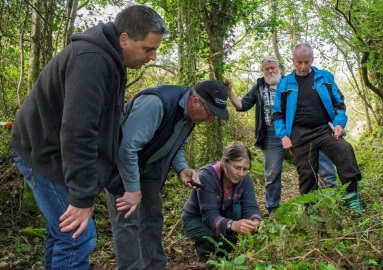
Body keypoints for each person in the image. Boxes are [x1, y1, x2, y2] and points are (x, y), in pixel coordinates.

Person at [10, 5, 168, 269]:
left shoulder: (111, 60)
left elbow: (101, 126)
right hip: (44, 153)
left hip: (59, 152)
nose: (153, 57)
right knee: (77, 236)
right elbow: (78, 132)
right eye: (148, 49)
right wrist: (82, 198)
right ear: (125, 38)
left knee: (62, 233)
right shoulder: (91, 61)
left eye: (156, 49)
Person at [105, 80, 230, 269]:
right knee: (127, 221)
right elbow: (126, 149)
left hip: (148, 167)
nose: (211, 119)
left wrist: (182, 168)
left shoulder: (190, 115)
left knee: (152, 217)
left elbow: (177, 144)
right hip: (122, 166)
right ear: (195, 100)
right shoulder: (156, 103)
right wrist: (132, 188)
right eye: (211, 113)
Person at [227, 56, 338, 214]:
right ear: (263, 71)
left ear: (280, 68)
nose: (271, 71)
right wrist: (229, 92)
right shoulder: (259, 86)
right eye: (267, 68)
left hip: (296, 131)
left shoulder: (291, 82)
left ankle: (321, 202)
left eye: (273, 67)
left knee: (311, 165)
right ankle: (273, 209)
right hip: (271, 134)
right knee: (272, 173)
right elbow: (242, 105)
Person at [272, 43, 364, 214]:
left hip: (323, 129)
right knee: (307, 174)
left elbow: (339, 104)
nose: (303, 67)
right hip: (299, 134)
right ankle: (311, 211)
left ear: (312, 60)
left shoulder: (325, 78)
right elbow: (277, 114)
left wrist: (338, 124)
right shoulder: (284, 85)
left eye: (306, 62)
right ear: (292, 61)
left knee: (345, 150)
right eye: (299, 62)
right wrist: (283, 136)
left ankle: (353, 197)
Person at [181, 141, 262, 259]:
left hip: (222, 213)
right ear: (224, 162)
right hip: (196, 218)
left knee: (237, 211)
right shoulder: (207, 176)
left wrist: (255, 221)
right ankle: (202, 250)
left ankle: (227, 243)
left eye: (245, 169)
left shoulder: (245, 179)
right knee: (213, 242)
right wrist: (232, 225)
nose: (241, 173)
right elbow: (209, 215)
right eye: (237, 167)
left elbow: (251, 206)